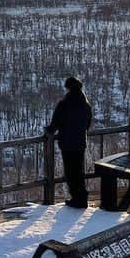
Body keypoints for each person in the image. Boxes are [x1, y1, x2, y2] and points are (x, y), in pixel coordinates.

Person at [46, 76, 93, 208]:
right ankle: (82, 198)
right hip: (80, 142)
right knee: (79, 171)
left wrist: (49, 131)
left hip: (67, 143)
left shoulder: (64, 104)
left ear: (68, 88)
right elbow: (87, 124)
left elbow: (55, 123)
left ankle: (76, 199)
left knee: (70, 172)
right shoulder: (86, 105)